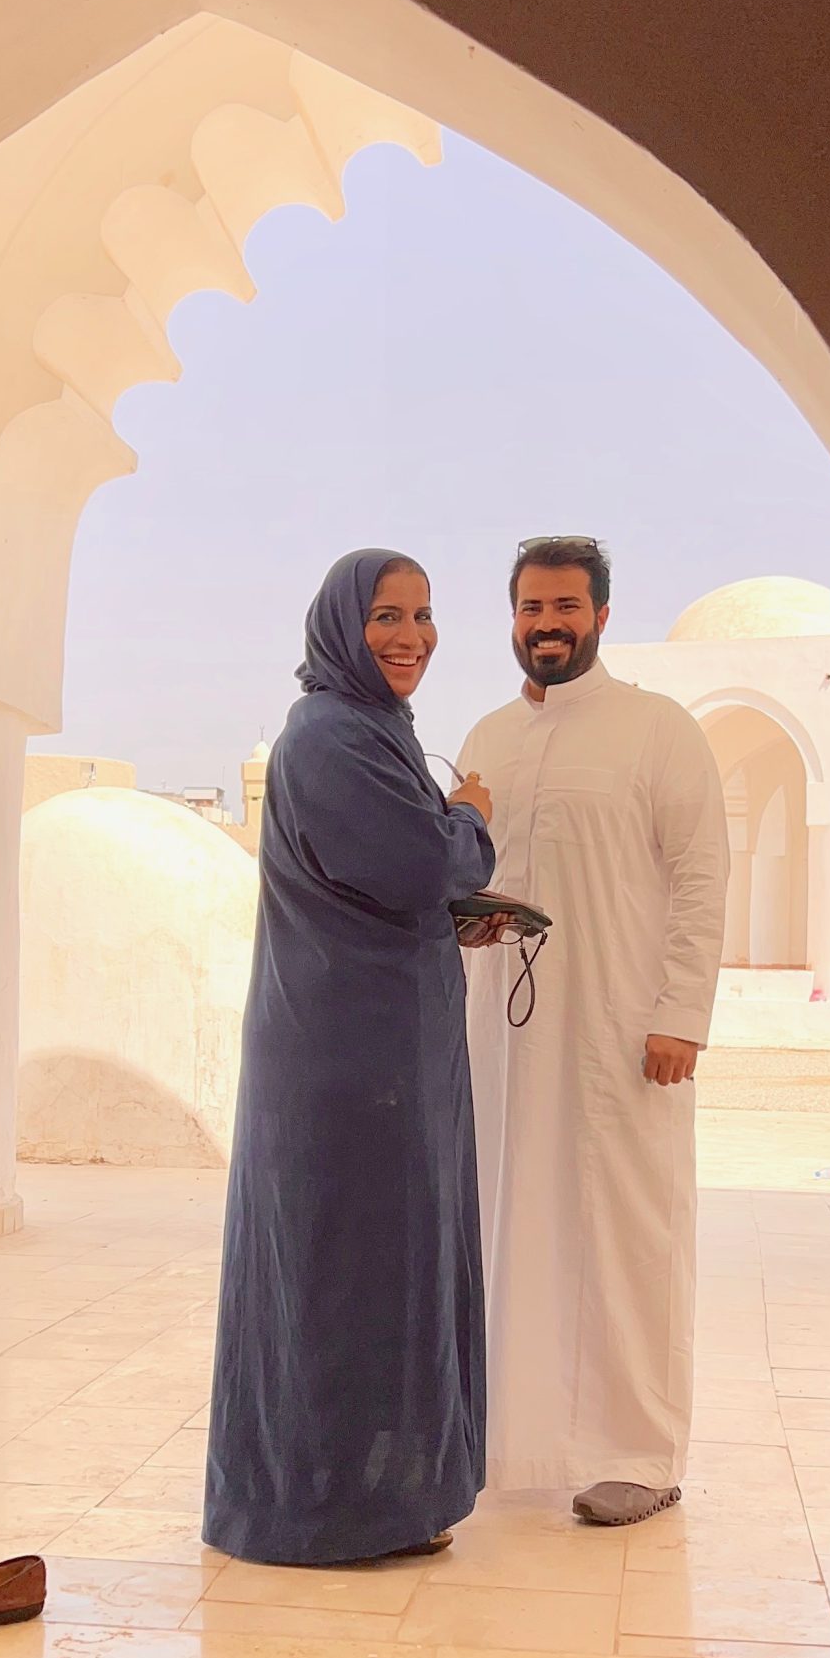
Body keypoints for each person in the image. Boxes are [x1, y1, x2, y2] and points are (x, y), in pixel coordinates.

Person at [205, 547, 496, 1567]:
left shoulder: (374, 732)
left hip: (384, 1050)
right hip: (347, 1065)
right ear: (341, 625)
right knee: (347, 1278)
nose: (409, 635)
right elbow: (419, 858)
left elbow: (383, 885)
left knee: (390, 1274)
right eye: (385, 614)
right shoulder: (331, 734)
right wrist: (470, 822)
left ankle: (389, 1501)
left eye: (422, 614)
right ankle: (321, 1511)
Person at [461, 535, 729, 1525]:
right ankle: (515, 1438)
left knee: (627, 1230)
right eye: (532, 607)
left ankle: (640, 1452)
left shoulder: (658, 731)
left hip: (624, 1031)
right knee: (511, 1218)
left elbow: (701, 876)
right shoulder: (487, 735)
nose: (547, 623)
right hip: (504, 1032)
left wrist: (680, 1014)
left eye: (566, 606)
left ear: (602, 616)